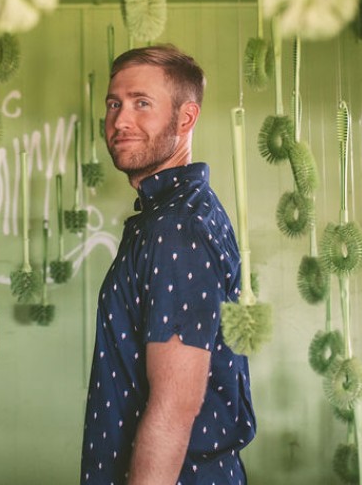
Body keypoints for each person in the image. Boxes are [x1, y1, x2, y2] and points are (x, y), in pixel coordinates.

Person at [81, 45, 256, 484]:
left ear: (185, 118)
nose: (120, 120)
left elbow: (175, 406)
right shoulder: (173, 213)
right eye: (114, 104)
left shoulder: (175, 226)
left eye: (142, 103)